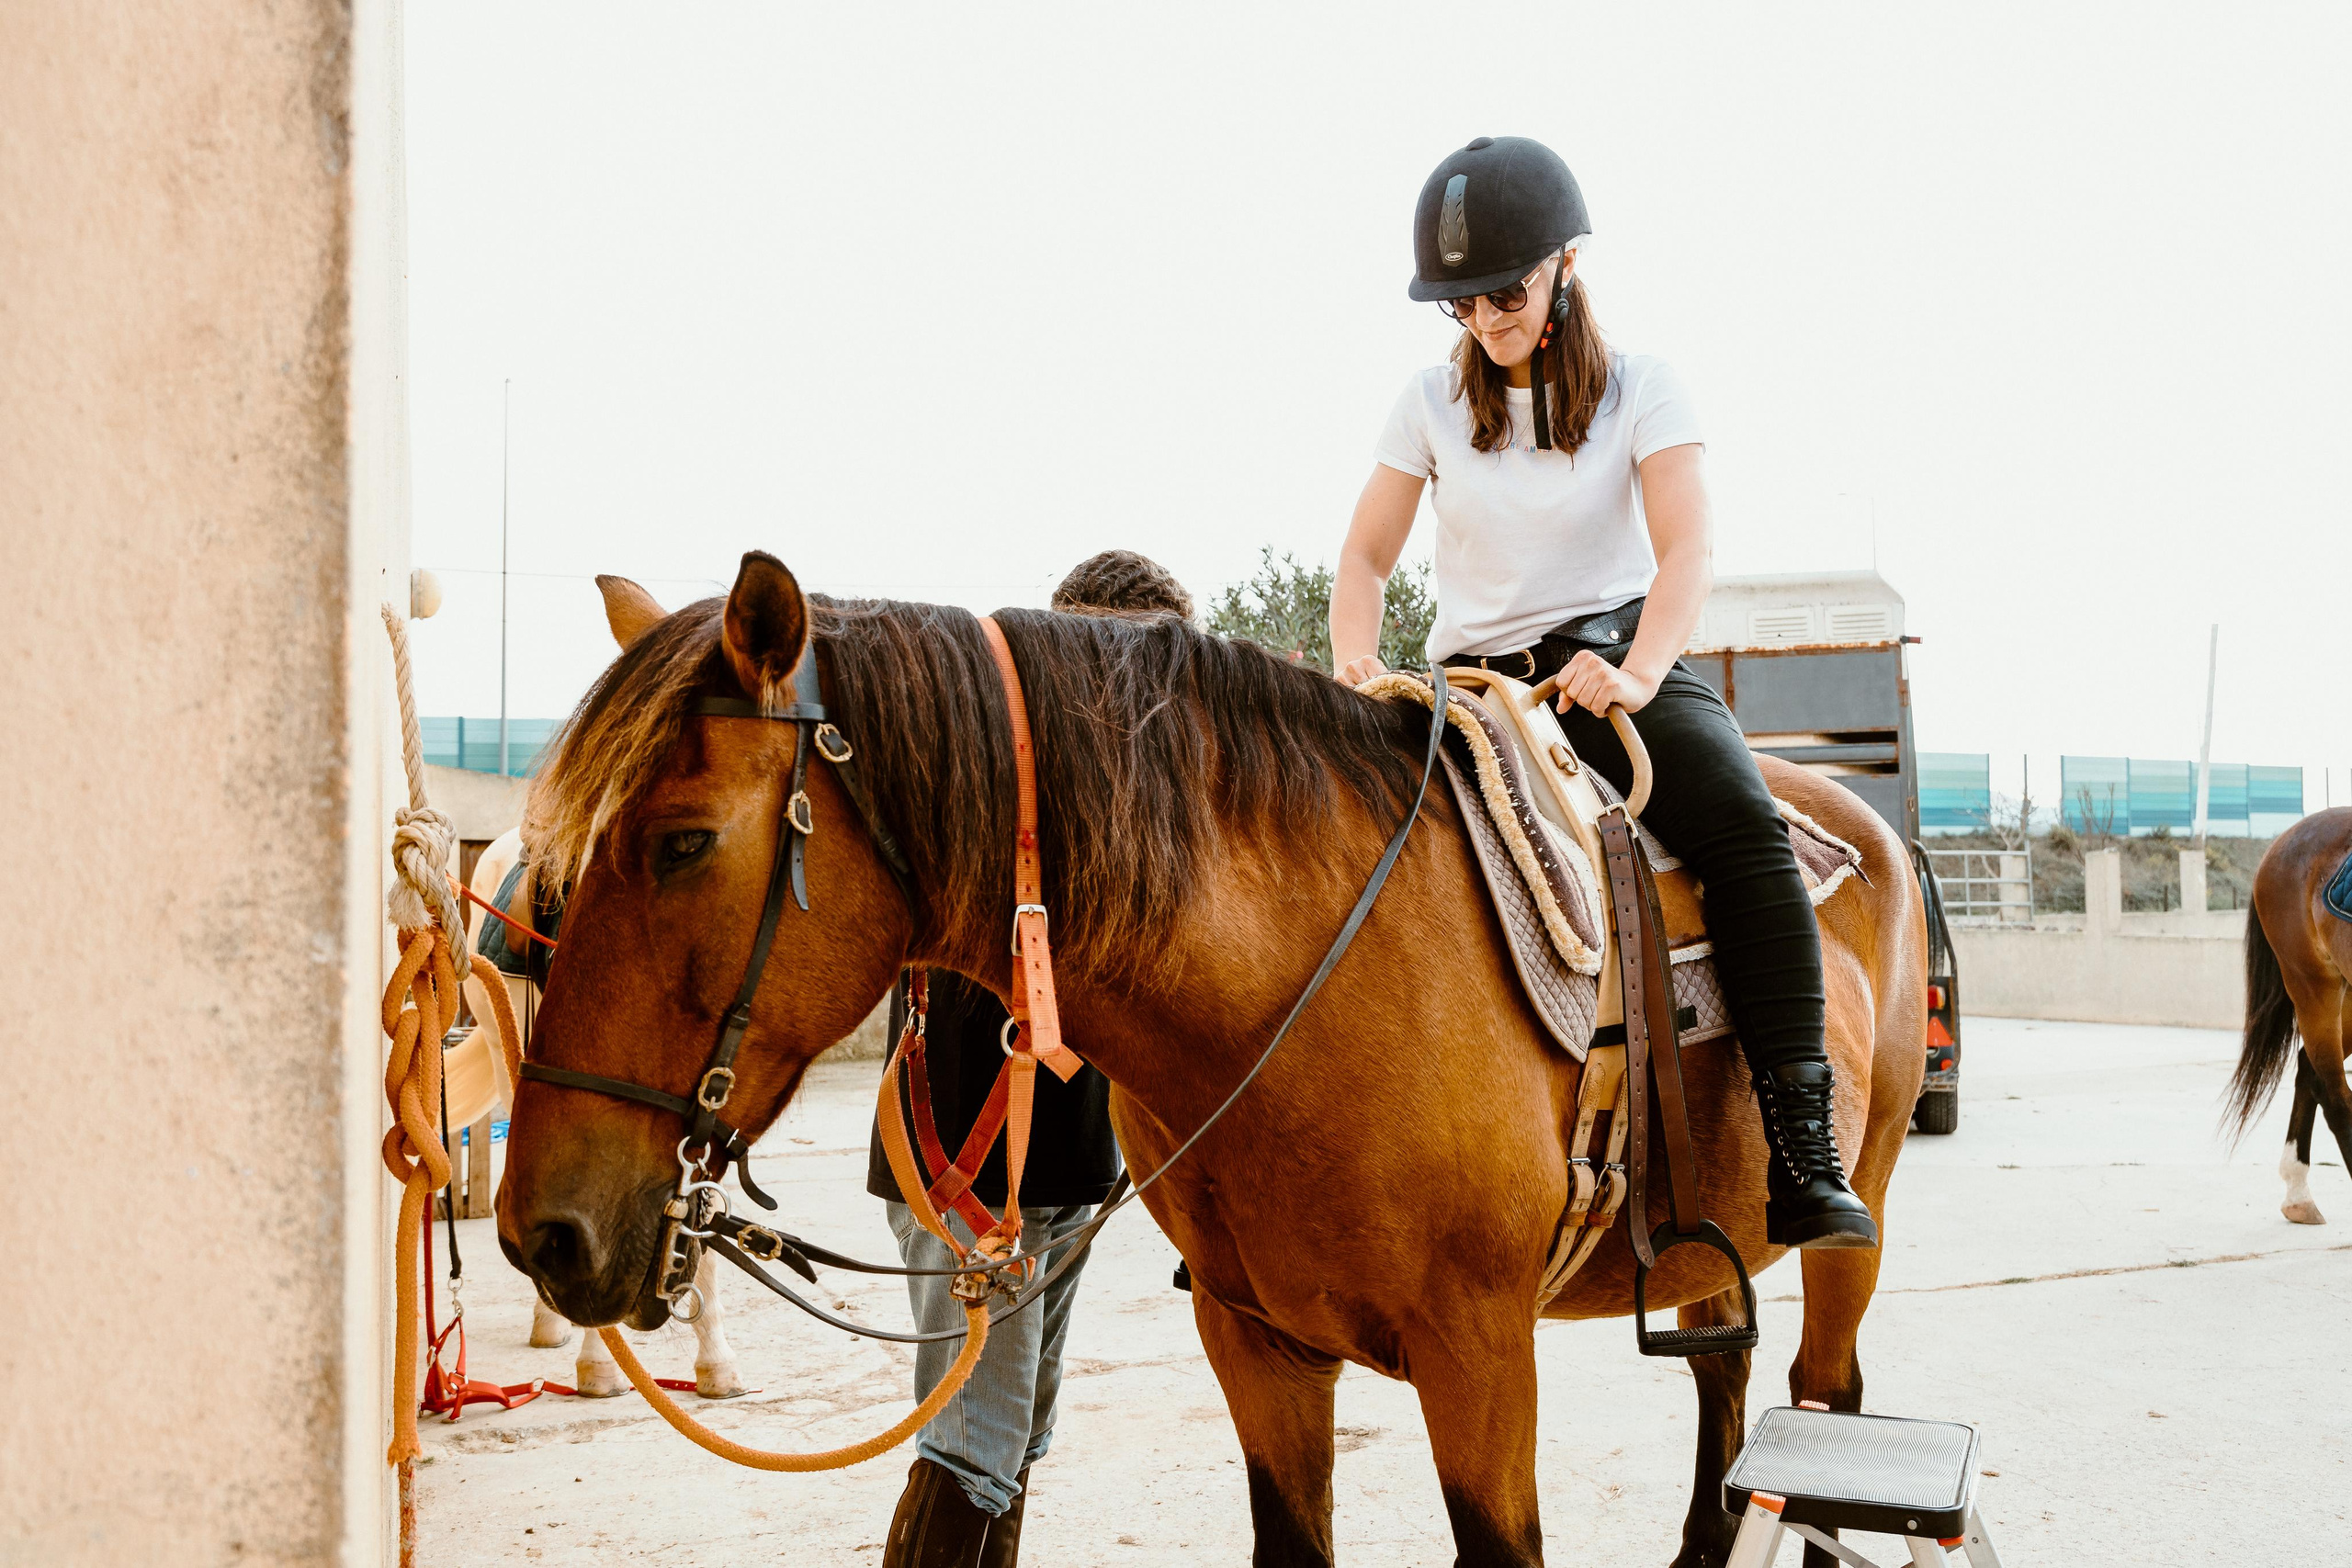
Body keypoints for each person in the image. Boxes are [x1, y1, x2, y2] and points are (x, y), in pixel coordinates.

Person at [1330, 135, 1878, 1251]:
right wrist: (1355, 665)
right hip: (1472, 684)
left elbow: (1684, 554)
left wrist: (1631, 673)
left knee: (1744, 836)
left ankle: (1804, 1155)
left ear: (1563, 265)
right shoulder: (1427, 402)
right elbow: (1364, 563)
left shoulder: (1644, 386)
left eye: (1504, 291)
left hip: (1613, 663)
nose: (1485, 318)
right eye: (1460, 303)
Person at [869, 550, 1195, 1568]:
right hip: (971, 1173)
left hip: (1063, 1170)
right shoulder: (990, 792)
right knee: (972, 1449)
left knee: (1012, 1447)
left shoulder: (1107, 802)